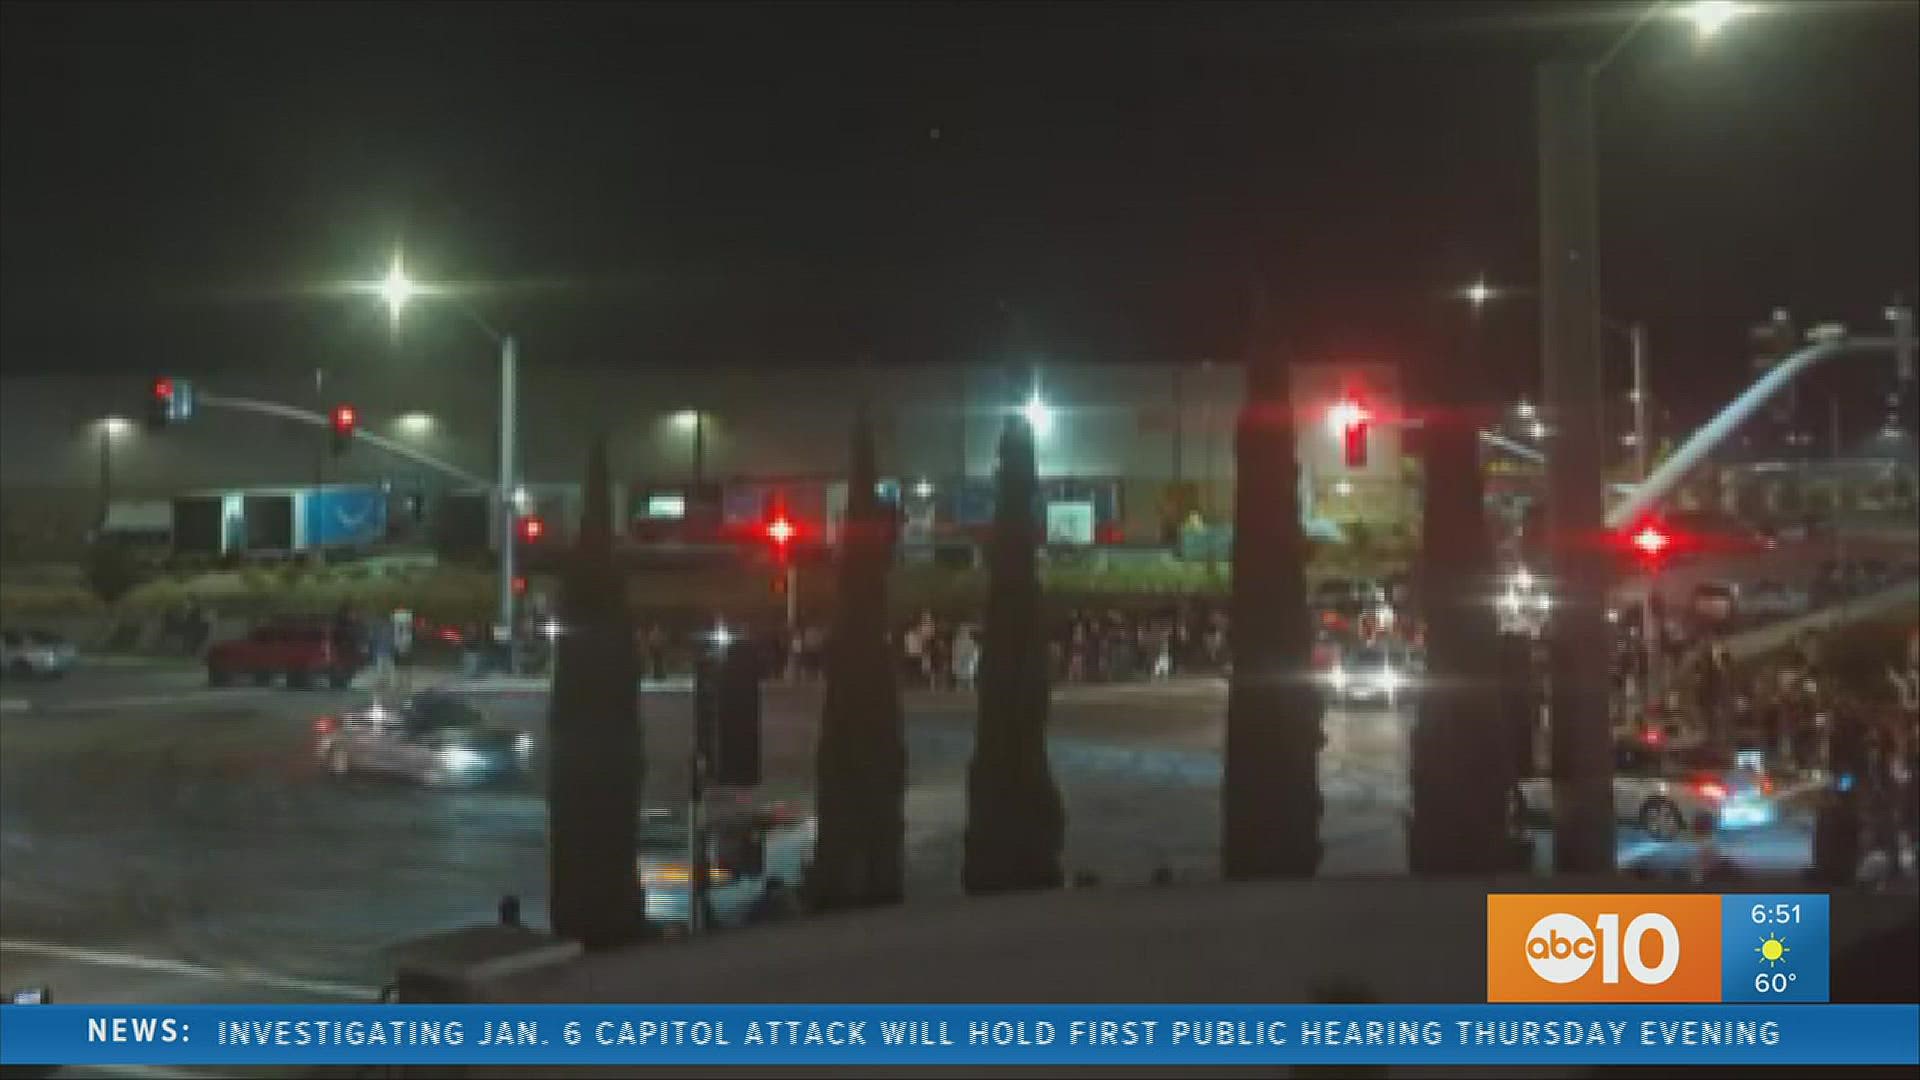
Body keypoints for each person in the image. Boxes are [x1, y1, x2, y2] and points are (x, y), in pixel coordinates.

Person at [951, 624, 980, 691]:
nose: (964, 633)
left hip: (968, 662)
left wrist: (974, 661)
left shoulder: (971, 642)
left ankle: (969, 690)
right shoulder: (957, 641)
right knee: (960, 680)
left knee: (969, 679)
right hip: (961, 663)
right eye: (963, 631)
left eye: (965, 631)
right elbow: (955, 653)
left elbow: (974, 653)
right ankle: (959, 690)